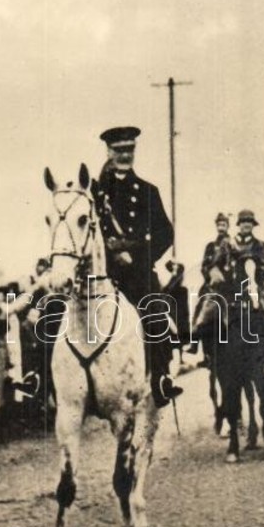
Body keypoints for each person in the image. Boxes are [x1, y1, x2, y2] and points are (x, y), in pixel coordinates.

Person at [94, 125, 182, 407]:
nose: (124, 155)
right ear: (108, 151)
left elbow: (166, 234)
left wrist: (140, 257)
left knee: (156, 316)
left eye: (129, 150)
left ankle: (160, 379)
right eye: (119, 150)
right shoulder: (96, 193)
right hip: (103, 273)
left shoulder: (147, 191)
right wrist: (111, 255)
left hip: (138, 275)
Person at [213, 209, 264, 331]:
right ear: (239, 224)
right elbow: (216, 263)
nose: (246, 224)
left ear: (253, 225)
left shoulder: (259, 245)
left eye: (249, 222)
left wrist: (260, 269)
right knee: (211, 306)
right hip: (232, 284)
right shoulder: (228, 244)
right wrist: (220, 274)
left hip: (255, 283)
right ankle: (197, 335)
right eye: (243, 221)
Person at [192, 212, 233, 363]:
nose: (221, 227)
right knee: (200, 305)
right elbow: (204, 266)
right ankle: (195, 342)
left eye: (224, 224)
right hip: (212, 284)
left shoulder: (231, 243)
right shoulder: (210, 246)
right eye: (219, 224)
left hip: (228, 284)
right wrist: (209, 275)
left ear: (228, 226)